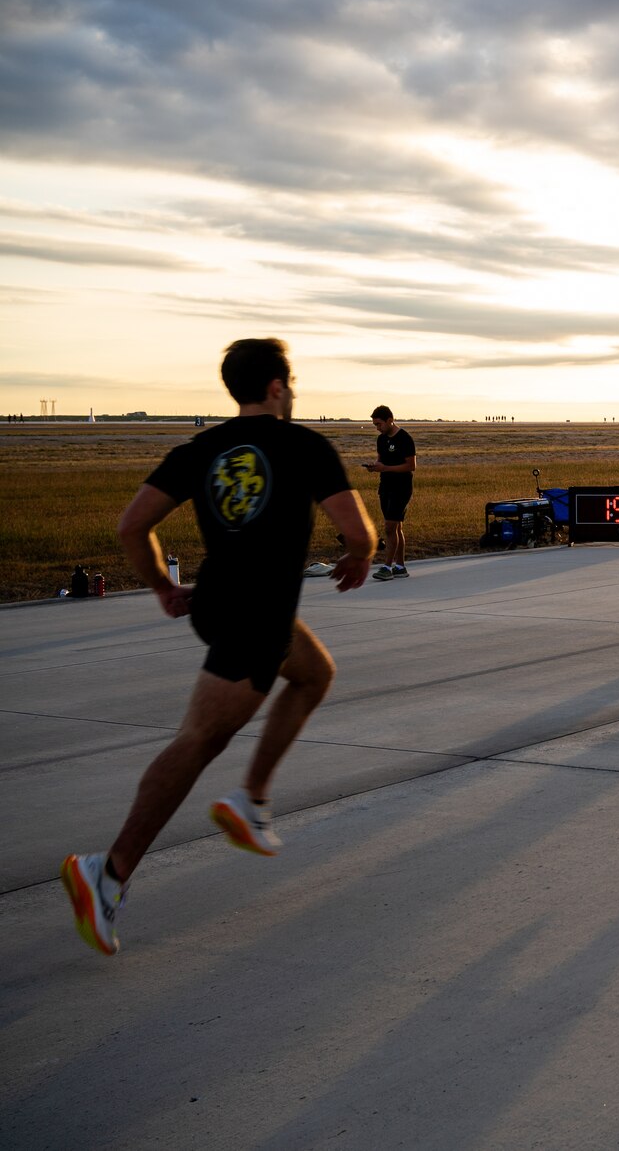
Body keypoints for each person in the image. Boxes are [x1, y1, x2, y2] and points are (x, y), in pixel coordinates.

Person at [61, 339, 376, 956]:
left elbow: (132, 526)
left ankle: (251, 800)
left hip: (218, 605)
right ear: (279, 387)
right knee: (200, 740)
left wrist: (160, 586)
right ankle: (109, 870)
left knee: (314, 673)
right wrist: (361, 556)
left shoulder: (200, 449)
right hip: (256, 617)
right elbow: (358, 532)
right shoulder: (306, 447)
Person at [363, 405, 415, 580]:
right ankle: (400, 566)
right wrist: (375, 467)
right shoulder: (381, 439)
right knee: (396, 527)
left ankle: (387, 567)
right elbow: (380, 461)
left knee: (389, 527)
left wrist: (386, 468)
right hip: (385, 486)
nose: (378, 428)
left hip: (401, 487)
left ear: (389, 420)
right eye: (375, 425)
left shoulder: (405, 438)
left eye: (379, 424)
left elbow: (411, 465)